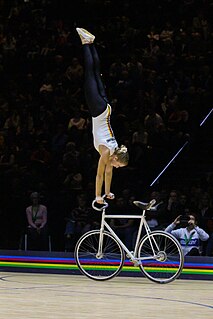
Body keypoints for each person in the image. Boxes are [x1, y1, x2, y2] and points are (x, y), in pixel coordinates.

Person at [76, 28, 129, 207]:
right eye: (118, 166)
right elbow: (100, 174)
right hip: (98, 109)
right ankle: (86, 43)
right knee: (90, 73)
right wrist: (98, 196)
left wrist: (108, 192)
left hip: (105, 108)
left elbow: (108, 173)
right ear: (115, 159)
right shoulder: (107, 152)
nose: (115, 168)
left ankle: (90, 43)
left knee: (96, 73)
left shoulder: (113, 151)